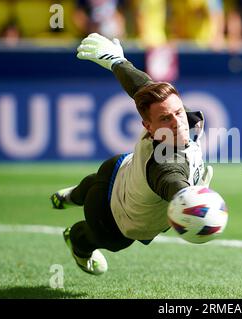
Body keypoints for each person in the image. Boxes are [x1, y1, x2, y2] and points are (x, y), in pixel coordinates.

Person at [50, 33, 213, 275]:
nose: (178, 122)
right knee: (102, 240)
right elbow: (172, 181)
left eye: (178, 112)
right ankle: (75, 239)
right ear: (148, 127)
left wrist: (116, 61)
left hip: (119, 169)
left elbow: (142, 86)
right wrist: (192, 199)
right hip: (111, 217)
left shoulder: (185, 118)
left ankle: (73, 195)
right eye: (165, 119)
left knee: (96, 182)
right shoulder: (165, 163)